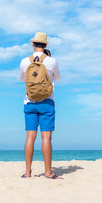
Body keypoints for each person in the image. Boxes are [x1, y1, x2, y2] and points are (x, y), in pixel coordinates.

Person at [19, 32, 61, 179]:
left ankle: (28, 172)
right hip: (47, 102)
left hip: (30, 102)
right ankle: (48, 172)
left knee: (30, 136)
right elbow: (57, 78)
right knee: (46, 137)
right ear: (46, 45)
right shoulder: (52, 61)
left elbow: (22, 79)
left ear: (33, 44)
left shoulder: (25, 61)